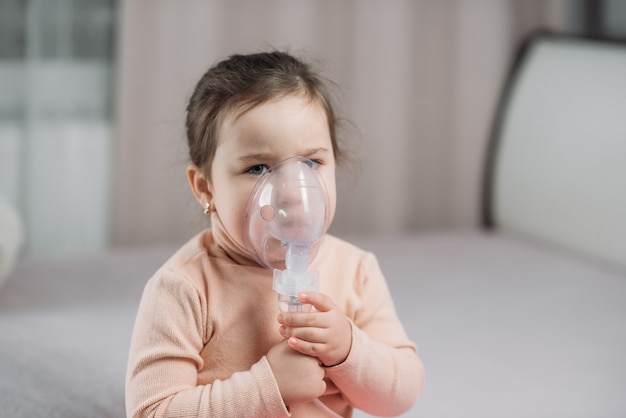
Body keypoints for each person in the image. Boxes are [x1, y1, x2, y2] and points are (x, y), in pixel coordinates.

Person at [125, 50, 425, 418]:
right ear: (205, 188)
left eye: (311, 163)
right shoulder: (183, 288)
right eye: (258, 167)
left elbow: (403, 392)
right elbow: (151, 412)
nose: (291, 190)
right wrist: (268, 386)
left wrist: (348, 350)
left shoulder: (356, 271)